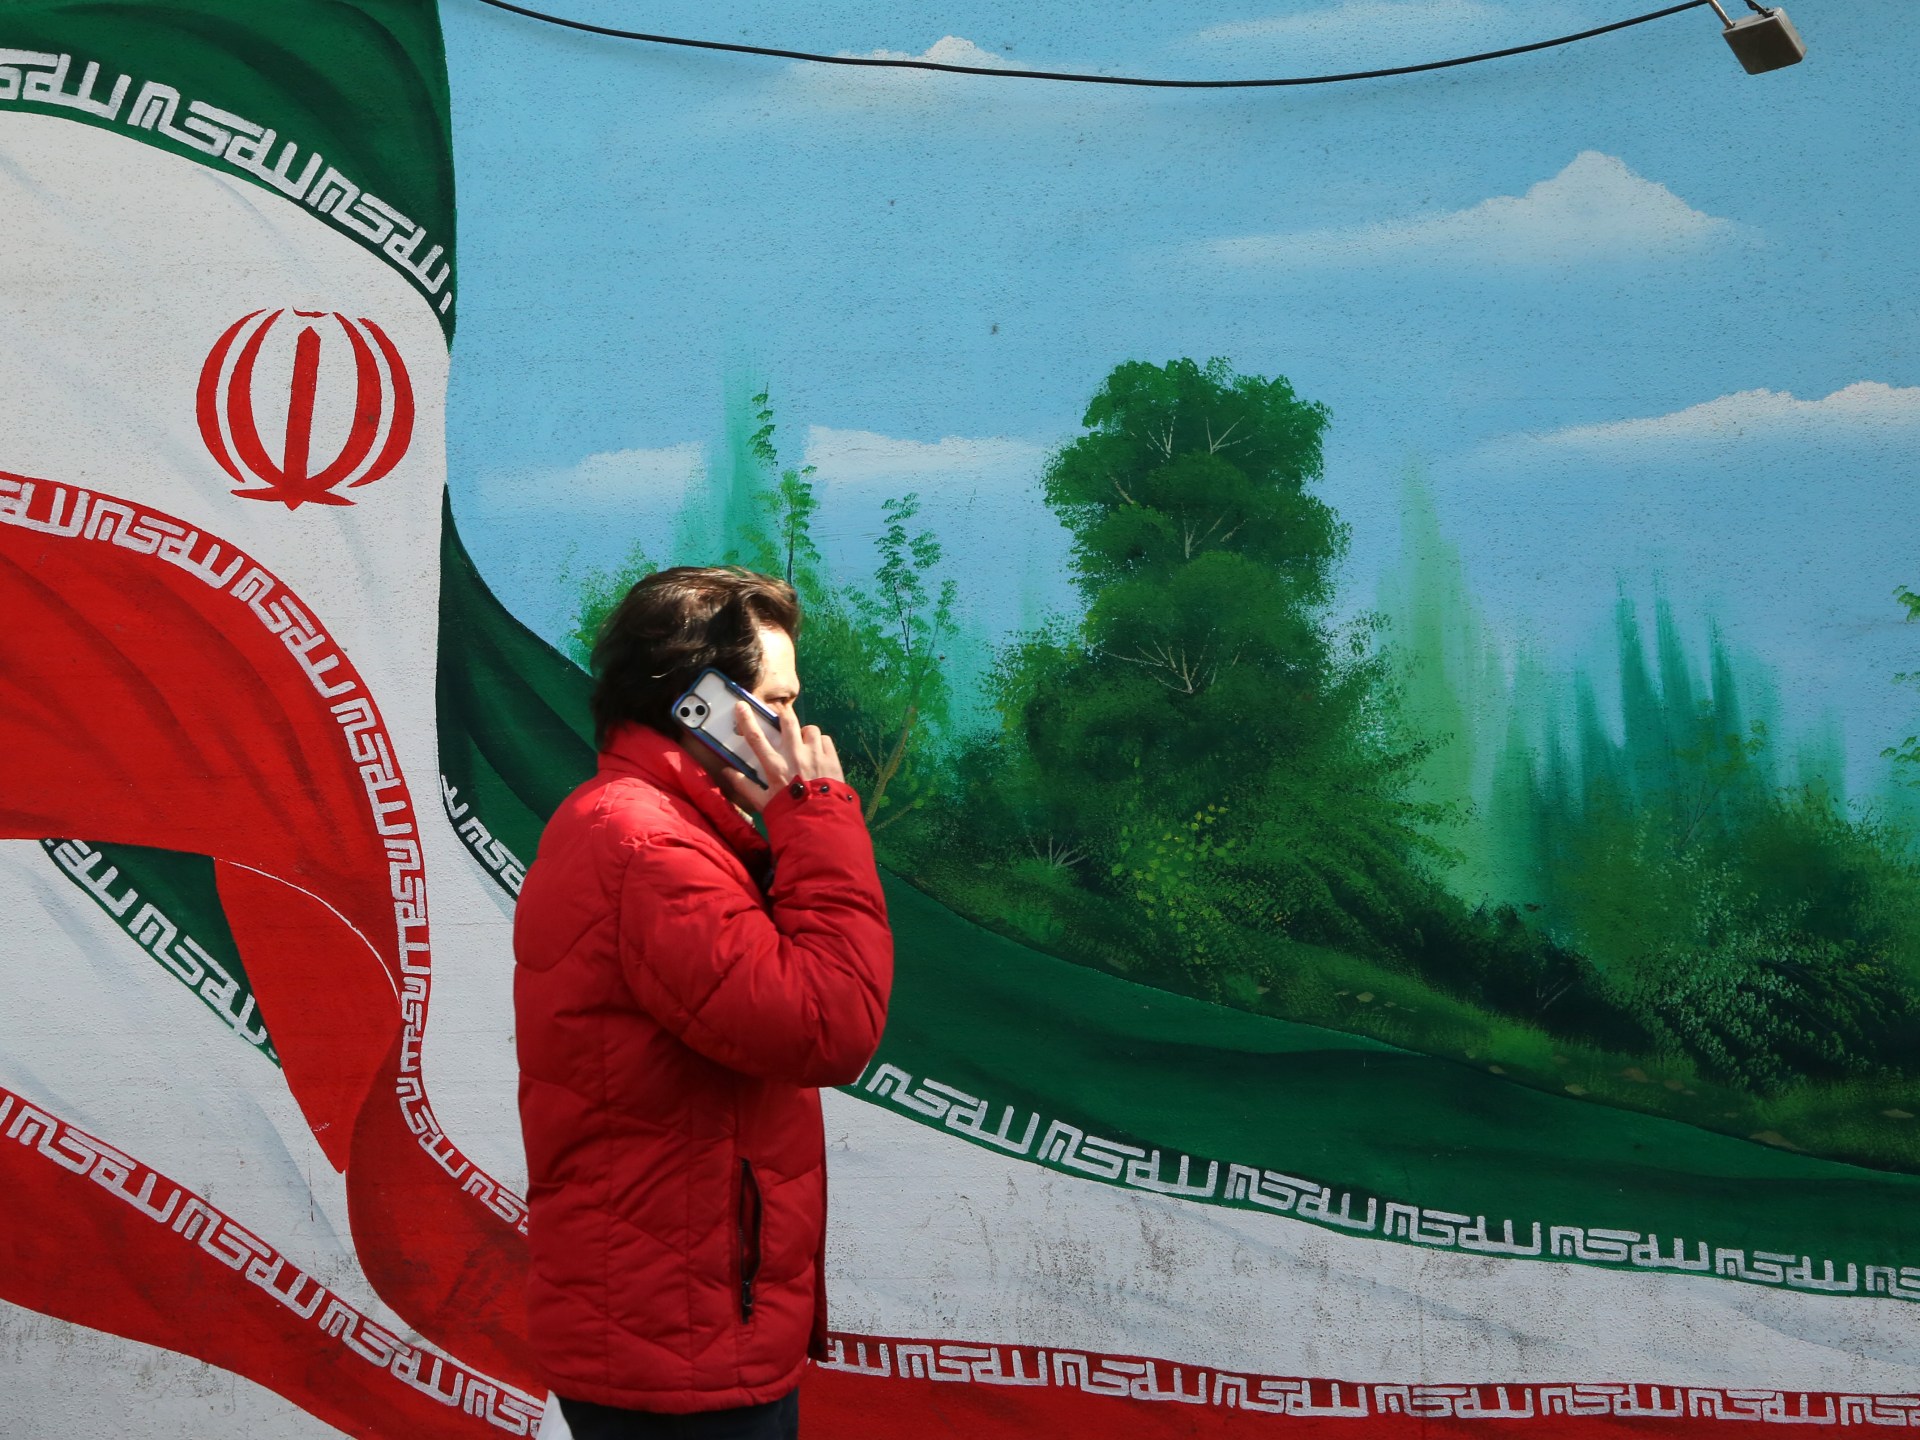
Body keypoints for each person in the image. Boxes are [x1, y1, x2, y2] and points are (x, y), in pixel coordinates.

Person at [512, 566, 894, 1440]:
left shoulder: (654, 826)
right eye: (777, 702)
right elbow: (829, 1025)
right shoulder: (647, 845)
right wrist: (819, 816)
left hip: (683, 1326)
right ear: (704, 707)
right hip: (678, 1348)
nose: (797, 732)